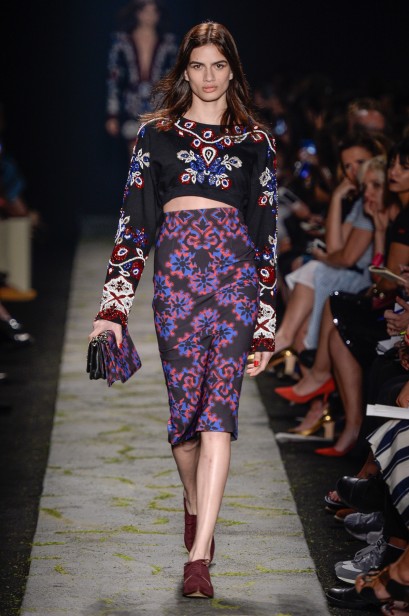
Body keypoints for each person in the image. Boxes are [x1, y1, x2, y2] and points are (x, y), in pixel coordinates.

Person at [90, 22, 278, 599]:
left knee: (218, 416)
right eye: (198, 65)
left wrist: (264, 324)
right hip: (175, 284)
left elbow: (266, 235)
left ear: (233, 70)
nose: (209, 76)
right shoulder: (156, 136)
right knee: (185, 424)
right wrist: (113, 309)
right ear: (184, 71)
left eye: (219, 65)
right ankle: (194, 504)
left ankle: (199, 558)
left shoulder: (256, 141)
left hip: (234, 282)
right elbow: (134, 225)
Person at [105, 0, 177, 156]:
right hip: (131, 107)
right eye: (145, 11)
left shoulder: (168, 43)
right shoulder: (122, 42)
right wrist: (112, 114)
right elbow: (114, 80)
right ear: (137, 13)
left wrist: (174, 110)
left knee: (156, 156)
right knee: (136, 156)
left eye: (153, 11)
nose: (149, 16)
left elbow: (173, 79)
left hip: (159, 107)